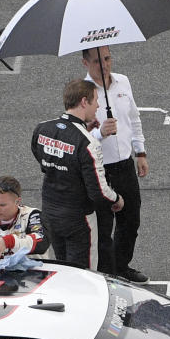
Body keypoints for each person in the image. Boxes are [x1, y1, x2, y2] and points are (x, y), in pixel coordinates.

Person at [31, 79, 123, 268]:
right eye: (95, 100)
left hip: (50, 213)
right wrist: (117, 199)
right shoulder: (88, 142)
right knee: (84, 276)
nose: (98, 106)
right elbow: (98, 191)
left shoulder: (42, 129)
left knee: (62, 269)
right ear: (83, 102)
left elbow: (42, 160)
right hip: (78, 220)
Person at [82, 46, 149, 283]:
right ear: (85, 63)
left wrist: (140, 151)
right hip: (99, 168)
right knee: (103, 226)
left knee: (131, 220)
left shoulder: (123, 82)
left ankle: (121, 266)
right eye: (98, 61)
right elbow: (78, 136)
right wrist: (100, 133)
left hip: (125, 165)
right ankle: (107, 273)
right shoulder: (84, 92)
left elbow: (133, 117)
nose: (105, 65)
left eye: (108, 59)